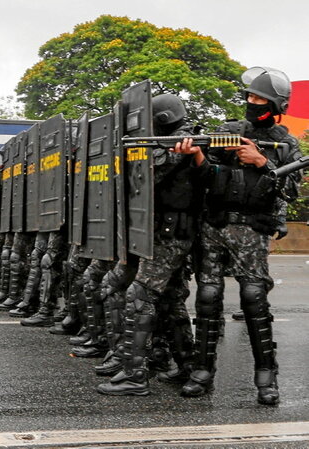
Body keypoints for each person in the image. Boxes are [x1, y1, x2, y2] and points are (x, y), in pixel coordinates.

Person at [174, 67, 302, 405]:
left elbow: (290, 192)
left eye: (259, 98)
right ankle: (202, 371)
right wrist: (197, 155)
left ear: (276, 104)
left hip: (252, 229)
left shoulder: (287, 144)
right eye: (249, 96)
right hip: (214, 226)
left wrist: (262, 163)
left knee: (254, 297)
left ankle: (266, 377)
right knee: (207, 297)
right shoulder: (228, 132)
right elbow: (204, 177)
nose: (251, 102)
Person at [96, 94, 202, 396]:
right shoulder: (167, 140)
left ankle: (135, 375)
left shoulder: (184, 140)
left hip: (172, 232)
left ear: (164, 119)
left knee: (139, 296)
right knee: (169, 300)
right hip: (158, 231)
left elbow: (154, 167)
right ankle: (184, 364)